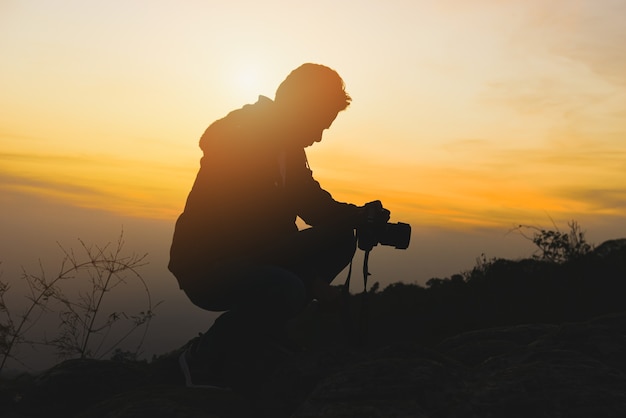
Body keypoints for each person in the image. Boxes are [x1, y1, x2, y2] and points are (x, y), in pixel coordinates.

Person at [168, 63, 390, 390]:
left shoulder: (287, 150)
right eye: (320, 123)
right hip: (208, 263)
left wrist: (357, 216)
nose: (319, 136)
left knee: (342, 238)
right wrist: (313, 281)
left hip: (252, 254)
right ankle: (204, 356)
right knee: (286, 288)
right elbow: (251, 223)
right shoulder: (242, 138)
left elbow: (310, 203)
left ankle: (265, 335)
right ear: (302, 108)